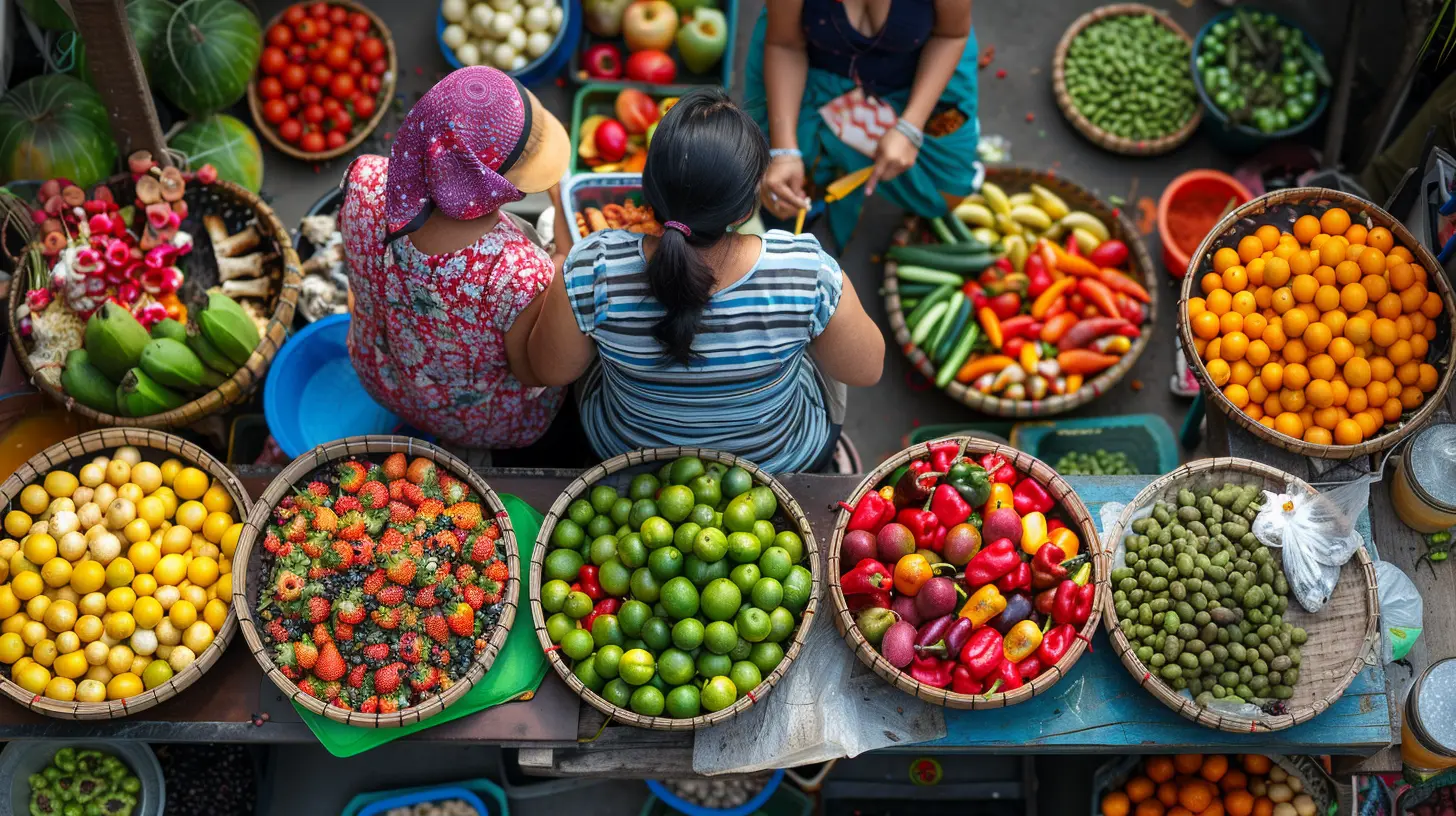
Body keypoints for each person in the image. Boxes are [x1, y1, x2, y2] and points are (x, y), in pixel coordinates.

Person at [527, 89, 884, 473]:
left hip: (630, 457)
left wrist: (562, 268)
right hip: (776, 462)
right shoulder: (806, 271)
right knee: (827, 336)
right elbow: (865, 370)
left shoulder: (591, 267)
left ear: (647, 190)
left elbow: (550, 371)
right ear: (746, 208)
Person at [339, 66, 571, 449]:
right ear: (492, 183)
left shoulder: (365, 180)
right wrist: (563, 255)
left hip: (380, 374)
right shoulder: (517, 274)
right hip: (470, 418)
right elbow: (532, 371)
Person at [747, 0, 982, 247]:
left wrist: (910, 127)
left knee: (946, 192)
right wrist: (784, 151)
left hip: (910, 78)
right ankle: (815, 193)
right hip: (813, 72)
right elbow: (785, 44)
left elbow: (951, 34)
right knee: (779, 188)